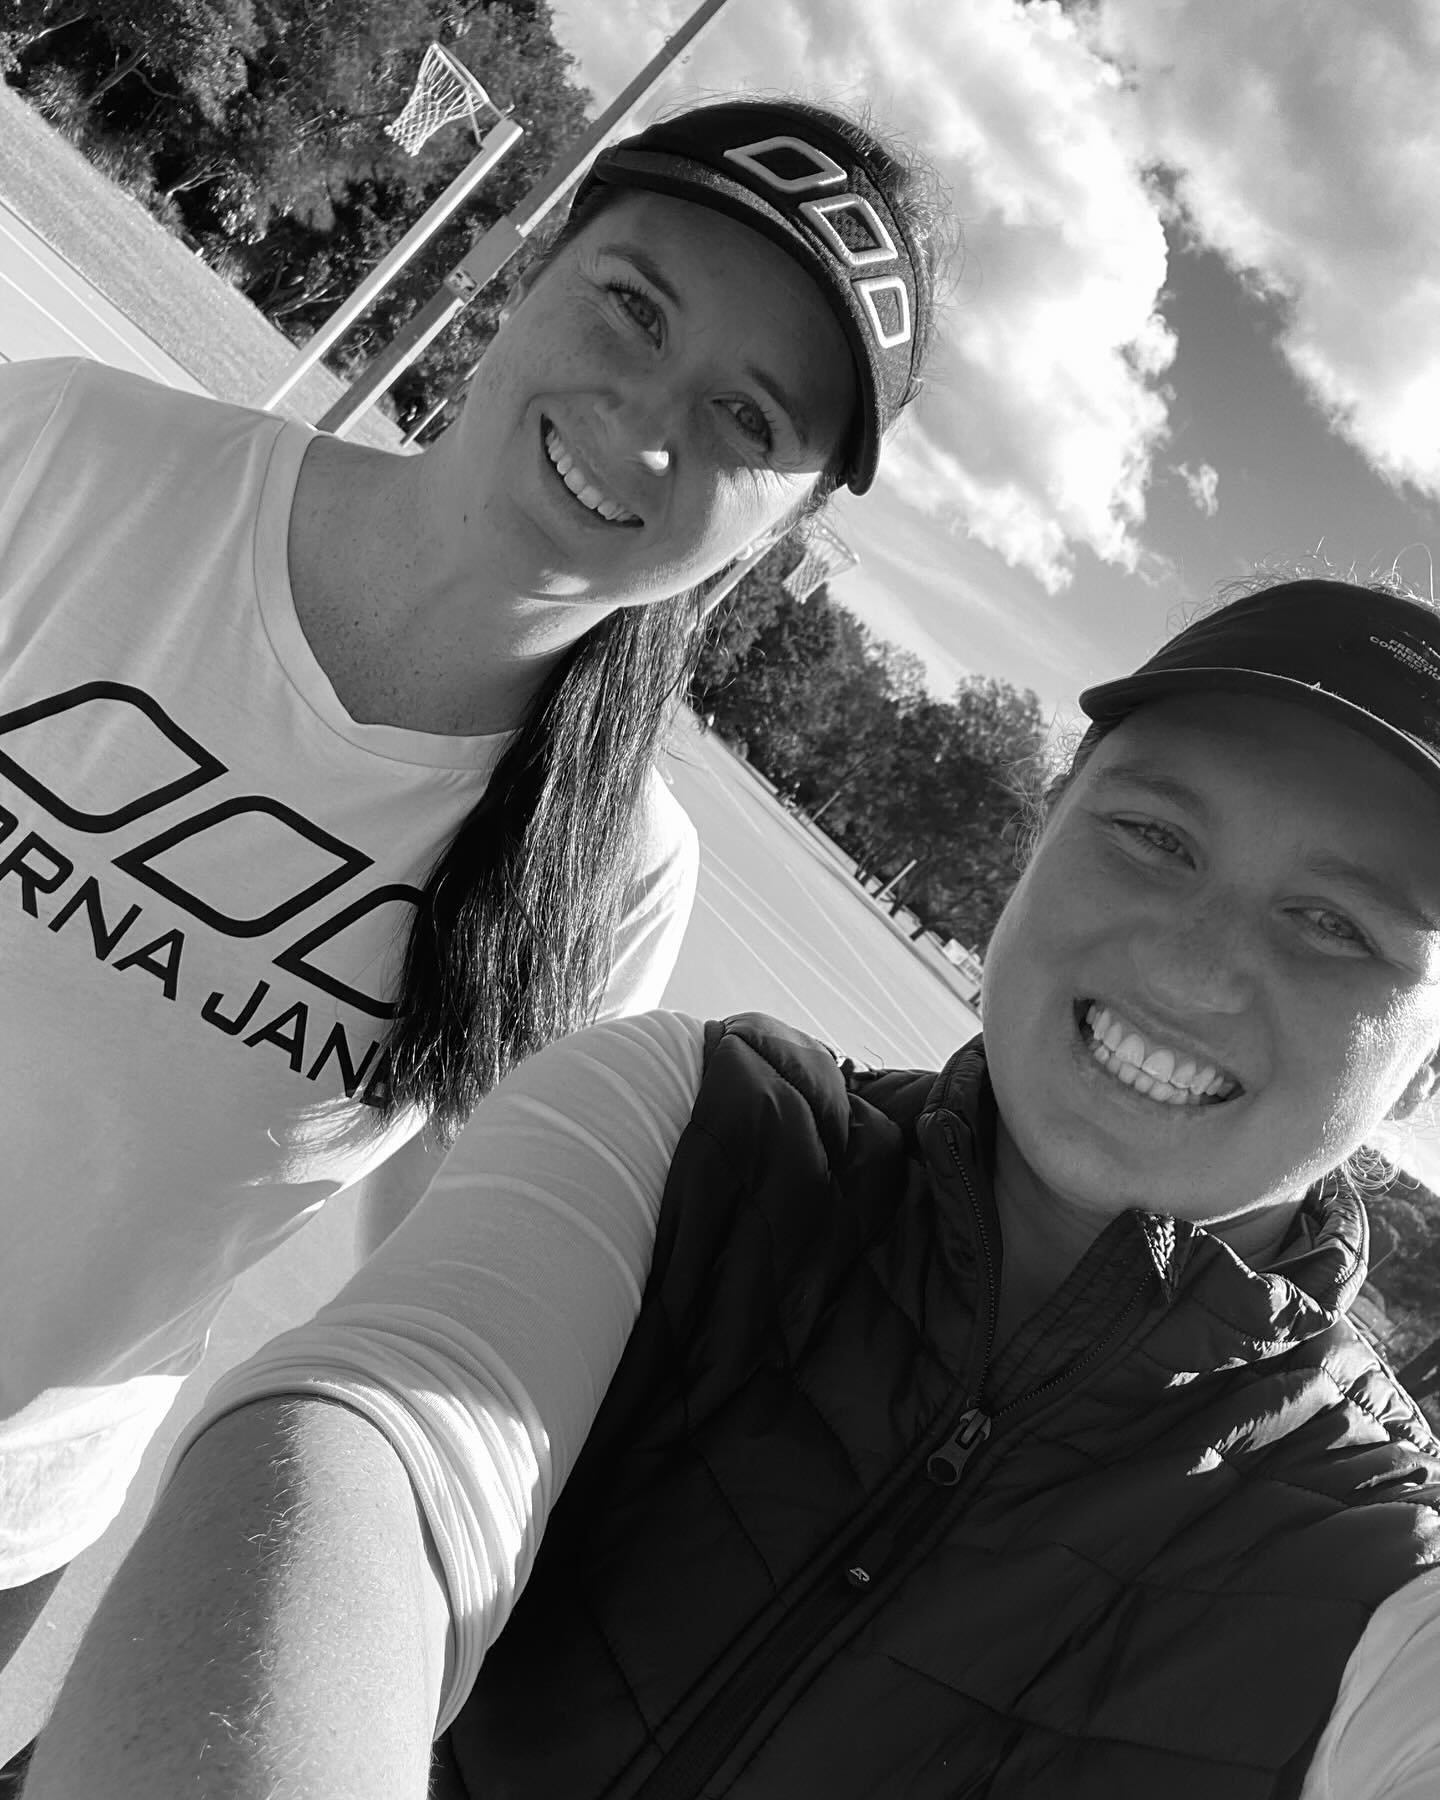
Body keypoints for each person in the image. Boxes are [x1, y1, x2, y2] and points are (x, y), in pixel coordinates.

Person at [40, 569, 1440, 1800]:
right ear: (1043, 834)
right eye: (1155, 836)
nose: (1195, 964)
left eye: (1335, 925)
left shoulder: (1389, 1574)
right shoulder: (689, 1120)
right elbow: (380, 1452)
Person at [0, 95, 950, 1695]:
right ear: (524, 262)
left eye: (747, 421)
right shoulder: (68, 455)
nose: (648, 422)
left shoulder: (612, 873)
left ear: (787, 526)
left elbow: (453, 1288)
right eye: (631, 305)